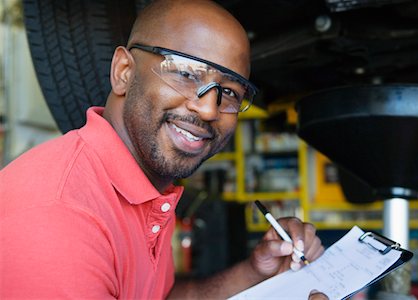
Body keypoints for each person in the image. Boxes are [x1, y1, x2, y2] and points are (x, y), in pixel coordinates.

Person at [0, 0, 326, 298]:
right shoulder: (60, 214)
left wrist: (256, 272)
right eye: (185, 73)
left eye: (229, 93)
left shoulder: (144, 184)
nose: (209, 110)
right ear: (123, 73)